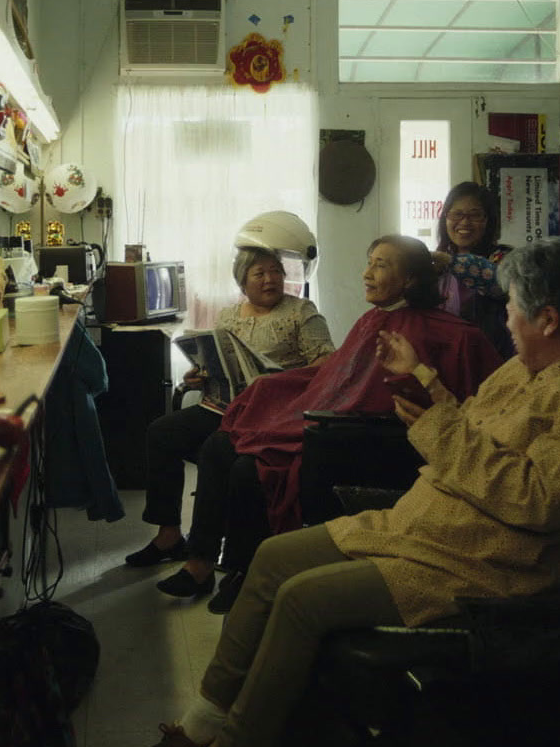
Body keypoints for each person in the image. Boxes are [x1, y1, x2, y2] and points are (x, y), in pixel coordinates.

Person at [128, 238, 560, 747]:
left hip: (482, 563)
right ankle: (201, 723)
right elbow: (474, 426)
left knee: (302, 599)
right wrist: (423, 377)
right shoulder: (522, 373)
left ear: (549, 319)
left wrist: (437, 429)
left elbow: (537, 502)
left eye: (514, 305)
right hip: (429, 527)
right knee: (273, 559)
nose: (507, 316)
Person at [164, 235, 503, 613]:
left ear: (408, 280)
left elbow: (465, 409)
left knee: (249, 468)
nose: (366, 273)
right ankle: (200, 562)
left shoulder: (451, 334)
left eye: (380, 265)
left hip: (360, 440)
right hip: (326, 415)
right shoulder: (372, 320)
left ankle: (244, 571)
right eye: (369, 261)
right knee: (218, 445)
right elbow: (335, 375)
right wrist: (269, 385)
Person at [126, 244, 334, 588]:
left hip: (271, 415)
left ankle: (203, 556)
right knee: (161, 432)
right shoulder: (229, 316)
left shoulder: (302, 312)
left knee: (215, 451)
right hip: (225, 406)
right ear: (243, 281)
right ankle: (169, 534)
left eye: (276, 271)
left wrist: (278, 380)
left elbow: (327, 364)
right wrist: (197, 376)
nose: (270, 279)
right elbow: (219, 365)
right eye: (260, 273)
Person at [433, 181, 514, 357]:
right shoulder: (436, 265)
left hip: (492, 361)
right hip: (444, 361)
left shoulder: (505, 258)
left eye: (475, 215)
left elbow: (499, 283)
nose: (464, 222)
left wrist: (451, 262)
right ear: (445, 218)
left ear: (488, 220)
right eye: (456, 214)